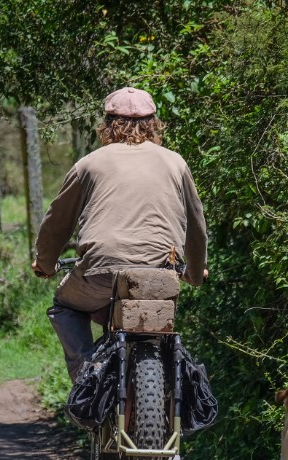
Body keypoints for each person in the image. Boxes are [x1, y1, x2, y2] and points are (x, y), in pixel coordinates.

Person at [32, 86, 208, 384]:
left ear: (108, 124)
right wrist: (194, 270)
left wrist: (45, 263)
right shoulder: (176, 162)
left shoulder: (89, 163)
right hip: (160, 273)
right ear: (154, 123)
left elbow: (57, 223)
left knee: (66, 305)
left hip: (100, 272)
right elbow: (196, 225)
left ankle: (86, 378)